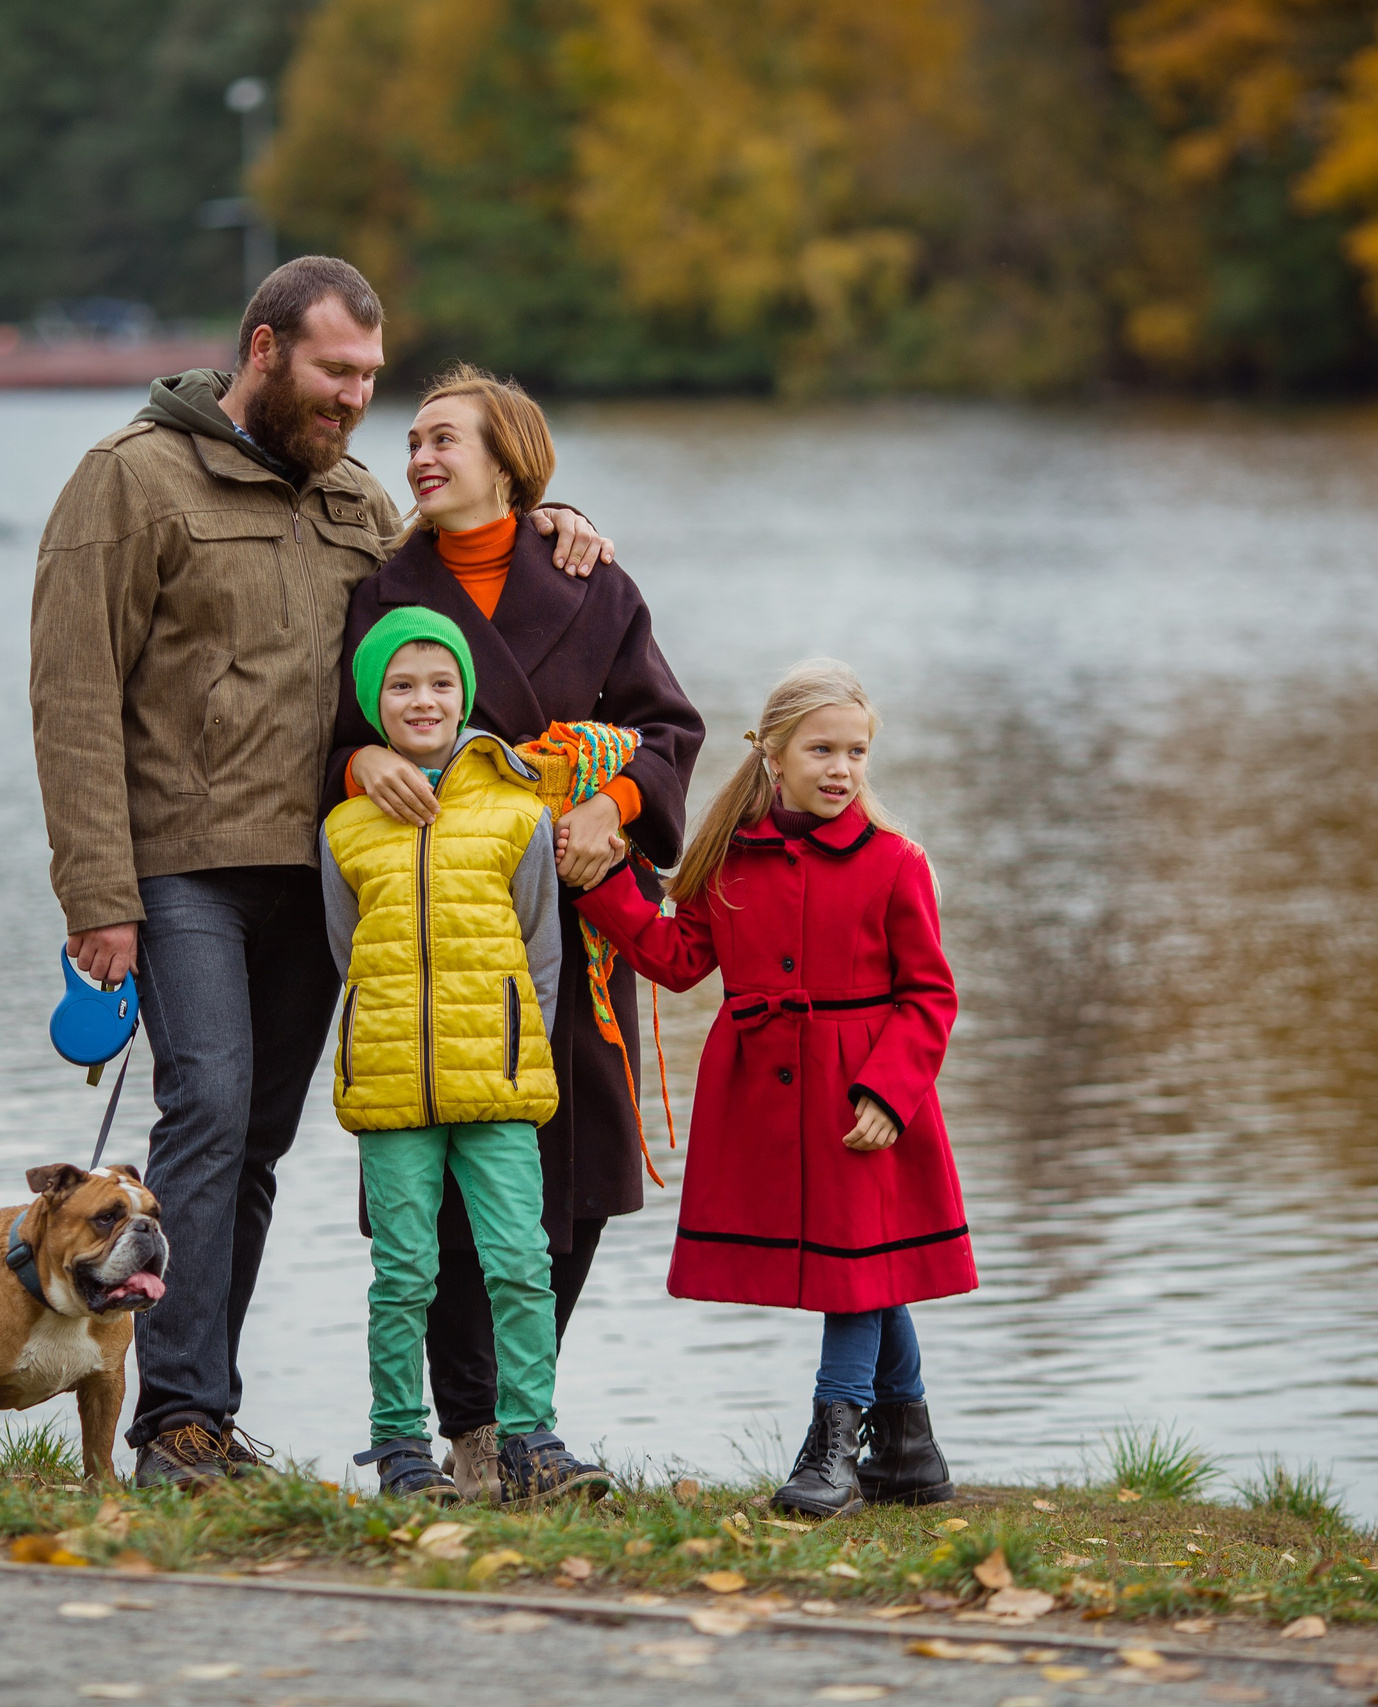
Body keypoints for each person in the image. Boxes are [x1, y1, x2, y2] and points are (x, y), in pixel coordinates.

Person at [29, 258, 614, 1490]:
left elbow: (447, 583)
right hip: (180, 866)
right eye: (335, 371)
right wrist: (98, 896)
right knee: (207, 1108)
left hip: (318, 872)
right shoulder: (129, 480)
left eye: (368, 377)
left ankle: (208, 1415)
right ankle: (174, 1424)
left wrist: (548, 519)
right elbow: (72, 696)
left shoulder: (353, 500)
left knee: (255, 1140)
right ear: (262, 349)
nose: (357, 399)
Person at [323, 365, 703, 1498]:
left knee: (574, 1168)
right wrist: (363, 757)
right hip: (441, 926)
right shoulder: (387, 589)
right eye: (414, 441)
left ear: (510, 460)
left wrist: (612, 807)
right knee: (436, 1178)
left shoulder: (594, 581)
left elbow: (668, 731)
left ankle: (519, 1416)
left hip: (572, 912)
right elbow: (334, 733)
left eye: (446, 440)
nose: (419, 458)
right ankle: (472, 1430)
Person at [567, 659, 973, 1518]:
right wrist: (601, 885)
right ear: (773, 755)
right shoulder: (729, 860)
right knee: (861, 1261)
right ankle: (910, 1450)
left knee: (853, 1267)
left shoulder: (895, 862)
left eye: (856, 751)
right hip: (764, 1093)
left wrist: (889, 1091)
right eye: (822, 749)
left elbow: (930, 994)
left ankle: (834, 1445)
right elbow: (678, 958)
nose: (841, 768)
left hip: (861, 1094)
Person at [319, 610, 615, 1505]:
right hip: (392, 1087)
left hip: (499, 1081)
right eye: (402, 685)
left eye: (441, 683)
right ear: (373, 701)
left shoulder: (519, 814)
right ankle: (400, 1449)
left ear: (465, 694)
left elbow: (541, 951)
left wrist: (516, 1045)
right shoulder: (345, 828)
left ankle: (532, 1440)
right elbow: (347, 951)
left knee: (520, 1261)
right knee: (403, 1272)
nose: (424, 700)